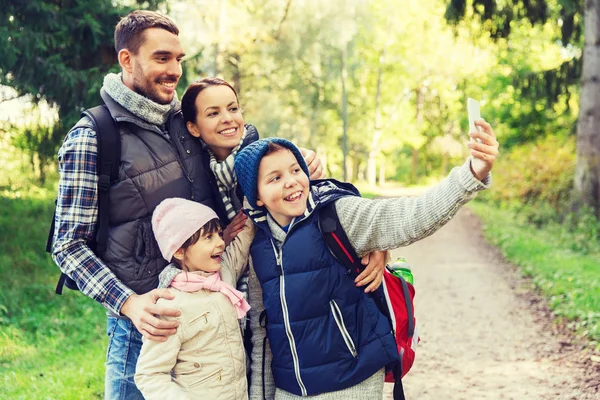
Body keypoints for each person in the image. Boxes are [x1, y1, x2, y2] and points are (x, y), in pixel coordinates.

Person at [50, 11, 325, 399]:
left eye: (179, 59)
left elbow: (261, 170)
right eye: (162, 58)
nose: (175, 70)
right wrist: (130, 304)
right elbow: (68, 245)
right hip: (147, 327)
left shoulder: (189, 121)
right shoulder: (93, 136)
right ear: (127, 60)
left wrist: (308, 164)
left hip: (218, 315)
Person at [233, 125, 498, 399]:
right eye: (275, 178)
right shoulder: (260, 246)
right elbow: (261, 330)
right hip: (289, 390)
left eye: (295, 170)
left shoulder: (337, 215)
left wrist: (471, 173)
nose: (291, 181)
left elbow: (412, 216)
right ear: (257, 198)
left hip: (352, 382)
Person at [135, 198, 253, 399]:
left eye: (218, 234)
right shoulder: (171, 305)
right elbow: (149, 374)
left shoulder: (224, 274)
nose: (220, 242)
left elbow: (244, 237)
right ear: (179, 250)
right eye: (208, 237)